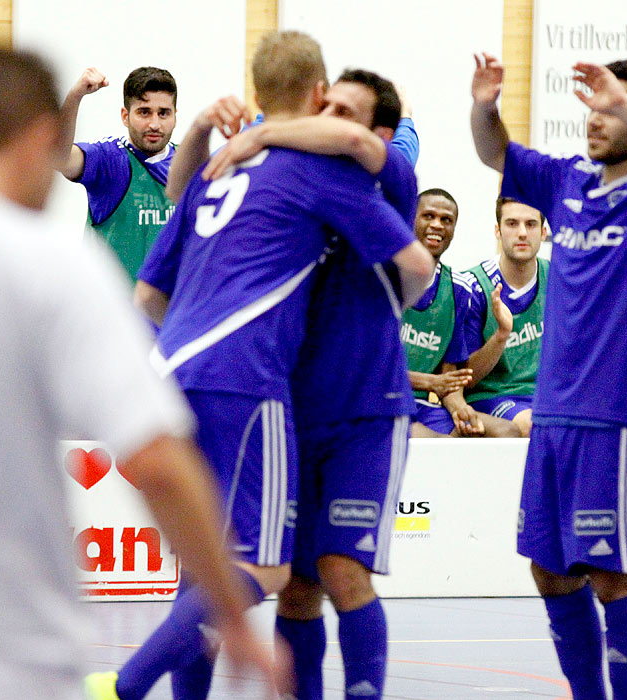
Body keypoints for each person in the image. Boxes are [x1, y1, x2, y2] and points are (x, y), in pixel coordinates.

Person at [0, 48, 284, 699]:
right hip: (13, 661)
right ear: (39, 138)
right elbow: (159, 464)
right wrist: (230, 607)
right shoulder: (56, 270)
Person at [85, 31, 433, 700]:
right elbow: (412, 263)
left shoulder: (371, 165)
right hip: (258, 387)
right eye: (328, 107)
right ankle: (128, 685)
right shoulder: (304, 174)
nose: (334, 123)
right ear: (314, 95)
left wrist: (245, 138)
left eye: (348, 114)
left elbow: (150, 294)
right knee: (271, 575)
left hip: (344, 401)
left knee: (326, 572)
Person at [471, 53, 627, 699]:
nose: (594, 119)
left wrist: (622, 101)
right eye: (592, 106)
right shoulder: (566, 179)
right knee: (549, 570)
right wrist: (483, 106)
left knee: (611, 577)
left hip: (619, 415)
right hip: (553, 413)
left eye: (609, 108)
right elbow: (493, 153)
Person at [403, 188, 521, 438]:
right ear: (410, 218)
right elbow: (371, 368)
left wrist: (461, 410)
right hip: (383, 402)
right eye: (428, 216)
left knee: (506, 431)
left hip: (425, 408)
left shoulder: (458, 289)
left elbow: (450, 379)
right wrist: (429, 382)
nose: (437, 225)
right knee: (433, 440)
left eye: (446, 220)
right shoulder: (384, 277)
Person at [58, 66, 178, 282]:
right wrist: (75, 95)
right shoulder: (109, 161)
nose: (154, 124)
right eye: (144, 112)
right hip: (112, 313)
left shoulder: (188, 163)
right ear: (125, 116)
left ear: (175, 116)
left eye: (163, 113)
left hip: (169, 313)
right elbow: (59, 157)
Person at [463, 196, 549, 437]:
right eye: (512, 224)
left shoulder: (560, 280)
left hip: (547, 398)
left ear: (543, 232)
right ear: (497, 231)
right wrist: (501, 335)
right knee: (536, 427)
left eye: (530, 224)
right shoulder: (473, 286)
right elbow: (465, 379)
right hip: (493, 396)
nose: (522, 233)